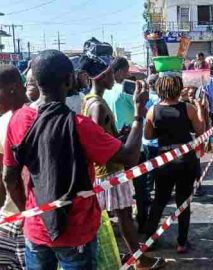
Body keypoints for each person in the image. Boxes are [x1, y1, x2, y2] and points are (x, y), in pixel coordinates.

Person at [2, 50, 163, 269]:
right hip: (76, 232)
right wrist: (138, 114)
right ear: (69, 80)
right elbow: (130, 157)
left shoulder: (18, 120)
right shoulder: (79, 126)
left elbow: (10, 177)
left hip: (36, 231)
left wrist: (29, 213)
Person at [80, 42, 164, 269]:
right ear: (98, 75)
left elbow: (102, 137)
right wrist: (138, 113)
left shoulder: (89, 101)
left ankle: (136, 257)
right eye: (110, 72)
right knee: (124, 215)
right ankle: (138, 259)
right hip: (110, 171)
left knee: (121, 215)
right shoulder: (97, 105)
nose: (115, 77)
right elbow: (96, 145)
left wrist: (119, 136)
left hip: (108, 169)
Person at [144, 75, 204, 254]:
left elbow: (148, 136)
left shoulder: (152, 111)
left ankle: (149, 240)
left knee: (159, 201)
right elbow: (200, 130)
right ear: (179, 89)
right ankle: (181, 243)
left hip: (164, 160)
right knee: (183, 202)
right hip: (186, 160)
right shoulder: (188, 108)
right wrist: (200, 107)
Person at [0, 65, 28, 270]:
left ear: (12, 89)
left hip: (17, 220)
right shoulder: (40, 116)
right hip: (29, 219)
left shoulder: (6, 122)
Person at [135, 74, 160, 233]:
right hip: (154, 141)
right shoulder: (157, 100)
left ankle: (148, 194)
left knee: (146, 172)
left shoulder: (143, 98)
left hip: (144, 141)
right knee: (153, 171)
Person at [103, 57, 134, 131]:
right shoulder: (126, 89)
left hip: (111, 134)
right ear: (120, 72)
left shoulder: (104, 90)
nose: (128, 74)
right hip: (127, 135)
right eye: (126, 71)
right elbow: (140, 108)